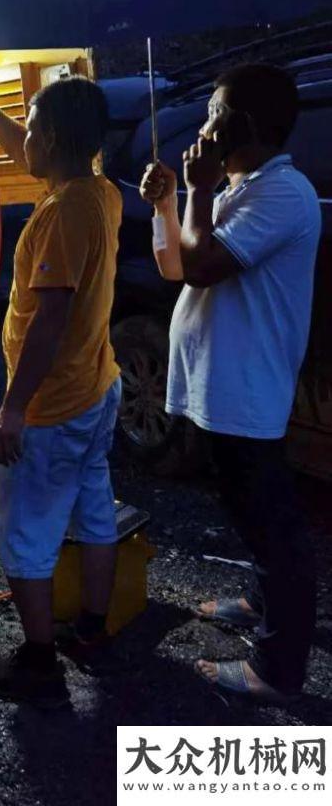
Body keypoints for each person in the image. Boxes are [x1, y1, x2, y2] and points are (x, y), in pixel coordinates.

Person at [139, 62, 320, 702]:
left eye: (215, 112)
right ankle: (261, 599)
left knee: (273, 524)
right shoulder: (239, 190)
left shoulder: (283, 193)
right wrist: (168, 199)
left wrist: (195, 191)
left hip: (246, 388)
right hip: (217, 386)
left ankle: (278, 668)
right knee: (246, 509)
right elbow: (171, 264)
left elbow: (201, 270)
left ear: (243, 124)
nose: (206, 124)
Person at [0, 76, 123, 706]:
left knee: (24, 530)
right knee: (94, 506)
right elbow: (32, 154)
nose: (21, 135)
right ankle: (94, 630)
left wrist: (13, 410)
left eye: (28, 126)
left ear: (48, 138)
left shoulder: (61, 214)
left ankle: (40, 663)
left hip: (53, 408)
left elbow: (50, 319)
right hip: (96, 386)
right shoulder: (96, 192)